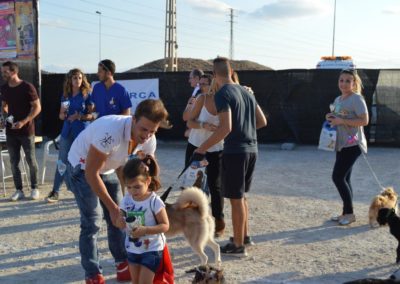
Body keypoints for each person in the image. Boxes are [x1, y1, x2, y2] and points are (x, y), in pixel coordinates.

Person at [66, 99, 168, 284]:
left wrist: (144, 196)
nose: (147, 135)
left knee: (122, 217)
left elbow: (144, 173)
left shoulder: (149, 139)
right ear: (134, 119)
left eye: (153, 131)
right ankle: (92, 273)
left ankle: (122, 264)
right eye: (144, 129)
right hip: (81, 167)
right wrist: (113, 207)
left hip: (109, 167)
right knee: (92, 222)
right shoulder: (111, 132)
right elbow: (91, 172)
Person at [195, 57, 267, 256]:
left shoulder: (222, 93)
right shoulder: (246, 91)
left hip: (235, 151)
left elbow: (226, 128)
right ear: (231, 70)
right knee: (241, 197)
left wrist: (201, 148)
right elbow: (262, 121)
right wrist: (245, 128)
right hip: (252, 149)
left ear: (214, 74)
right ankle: (243, 237)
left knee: (235, 199)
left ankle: (237, 245)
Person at [326, 69, 369, 226]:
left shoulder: (357, 99)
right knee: (345, 178)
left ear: (354, 83)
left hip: (353, 143)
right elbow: (338, 116)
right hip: (341, 143)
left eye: (347, 80)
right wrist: (330, 117)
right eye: (341, 80)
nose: (343, 83)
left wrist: (341, 121)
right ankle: (346, 212)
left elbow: (364, 121)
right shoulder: (338, 99)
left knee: (337, 177)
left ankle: (350, 214)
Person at [46, 68, 94, 203]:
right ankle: (55, 191)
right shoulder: (66, 96)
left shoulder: (87, 94)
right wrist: (64, 115)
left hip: (82, 133)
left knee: (83, 161)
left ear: (82, 79)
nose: (77, 80)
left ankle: (85, 189)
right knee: (62, 161)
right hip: (67, 132)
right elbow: (61, 115)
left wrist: (80, 116)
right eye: (74, 78)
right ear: (70, 80)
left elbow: (92, 116)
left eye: (79, 78)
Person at [187, 74, 225, 237]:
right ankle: (192, 220)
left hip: (215, 148)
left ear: (214, 84)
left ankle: (218, 221)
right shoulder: (201, 98)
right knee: (193, 183)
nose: (200, 86)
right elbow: (189, 122)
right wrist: (203, 125)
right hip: (196, 146)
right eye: (200, 84)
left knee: (215, 186)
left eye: (204, 84)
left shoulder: (225, 100)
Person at [120, 156, 169, 284]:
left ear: (147, 181)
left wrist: (146, 230)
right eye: (128, 187)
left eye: (136, 187)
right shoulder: (126, 199)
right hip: (132, 248)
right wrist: (119, 221)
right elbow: (119, 218)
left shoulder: (154, 201)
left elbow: (165, 225)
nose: (132, 191)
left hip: (151, 249)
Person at [0, 61, 41, 201]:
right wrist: (6, 118)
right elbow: (4, 106)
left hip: (27, 131)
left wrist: (23, 121)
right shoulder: (4, 88)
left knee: (30, 159)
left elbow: (37, 108)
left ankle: (35, 188)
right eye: (3, 71)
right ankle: (19, 190)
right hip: (11, 132)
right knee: (14, 161)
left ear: (14, 72)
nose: (3, 73)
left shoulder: (27, 87)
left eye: (5, 71)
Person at [183, 68, 204, 166]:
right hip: (195, 133)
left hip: (198, 135)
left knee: (192, 165)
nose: (189, 80)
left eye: (190, 78)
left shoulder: (201, 92)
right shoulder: (197, 91)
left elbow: (189, 116)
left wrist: (191, 127)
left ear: (196, 78)